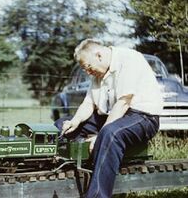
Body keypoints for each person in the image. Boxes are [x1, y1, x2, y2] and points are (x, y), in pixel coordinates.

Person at [54, 39, 163, 198]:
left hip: (143, 117)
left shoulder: (129, 59)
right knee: (60, 125)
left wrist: (99, 137)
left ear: (98, 55)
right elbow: (88, 103)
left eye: (89, 68)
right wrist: (74, 121)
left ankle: (98, 195)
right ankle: (64, 168)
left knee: (110, 133)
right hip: (114, 117)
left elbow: (123, 103)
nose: (88, 73)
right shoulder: (98, 72)